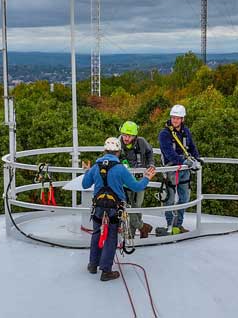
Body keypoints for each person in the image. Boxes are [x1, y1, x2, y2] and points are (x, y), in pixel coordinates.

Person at [83, 137, 156, 282]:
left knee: (96, 233)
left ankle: (93, 265)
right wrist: (147, 177)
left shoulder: (96, 167)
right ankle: (106, 270)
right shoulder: (120, 169)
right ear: (118, 152)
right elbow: (137, 187)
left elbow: (85, 184)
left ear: (104, 151)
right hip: (114, 208)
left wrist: (87, 171)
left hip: (98, 206)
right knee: (111, 237)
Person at [157, 104, 201, 235]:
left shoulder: (186, 132)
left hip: (184, 169)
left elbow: (191, 147)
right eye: (173, 117)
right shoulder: (164, 134)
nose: (175, 120)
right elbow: (169, 153)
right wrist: (184, 161)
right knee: (169, 199)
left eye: (178, 118)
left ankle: (178, 224)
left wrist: (196, 159)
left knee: (185, 197)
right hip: (171, 169)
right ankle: (170, 225)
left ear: (183, 119)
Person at [117, 121, 157, 239]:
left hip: (140, 181)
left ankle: (133, 233)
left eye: (129, 136)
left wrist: (151, 164)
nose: (126, 138)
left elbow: (150, 153)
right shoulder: (118, 143)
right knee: (127, 208)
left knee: (137, 207)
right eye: (124, 135)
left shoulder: (141, 142)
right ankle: (142, 228)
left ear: (135, 136)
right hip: (124, 182)